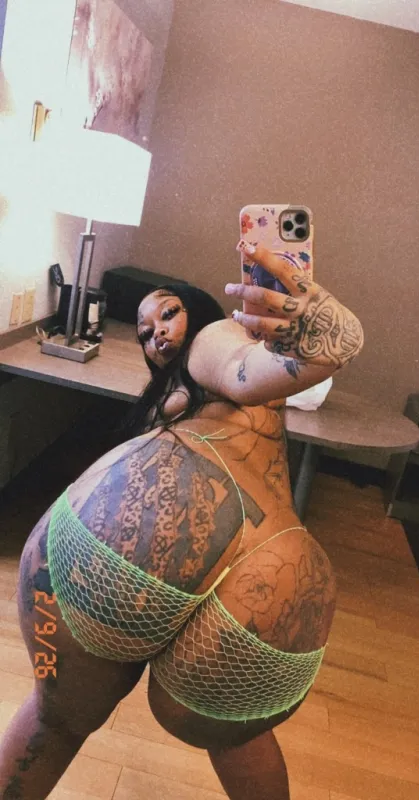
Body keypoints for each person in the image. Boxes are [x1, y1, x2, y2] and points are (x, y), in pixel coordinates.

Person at [0, 243, 364, 800]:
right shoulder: (180, 387)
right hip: (276, 564)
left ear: (201, 310)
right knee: (239, 740)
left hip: (127, 557)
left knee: (57, 723)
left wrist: (326, 337)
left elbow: (247, 371)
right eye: (145, 333)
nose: (158, 334)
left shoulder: (214, 340)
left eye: (169, 312)